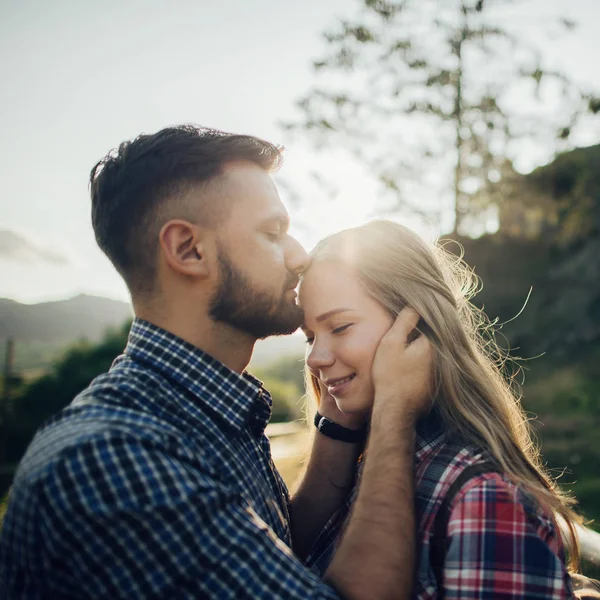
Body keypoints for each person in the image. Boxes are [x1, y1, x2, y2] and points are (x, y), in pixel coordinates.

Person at [0, 126, 433, 599]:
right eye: (272, 233)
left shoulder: (197, 411)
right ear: (189, 249)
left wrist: (340, 424)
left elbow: (279, 556)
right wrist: (394, 410)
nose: (300, 255)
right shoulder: (115, 461)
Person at [299, 219, 582, 599]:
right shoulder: (368, 471)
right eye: (309, 338)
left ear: (415, 327)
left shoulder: (481, 499)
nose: (315, 357)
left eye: (340, 327)